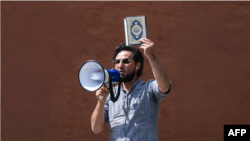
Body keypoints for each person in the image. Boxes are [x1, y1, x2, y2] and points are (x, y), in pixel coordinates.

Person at [91, 38, 172, 141]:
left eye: (126, 61)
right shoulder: (109, 93)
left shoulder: (148, 88)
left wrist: (151, 56)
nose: (120, 65)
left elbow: (164, 86)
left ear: (137, 66)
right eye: (117, 61)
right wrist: (101, 102)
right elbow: (96, 128)